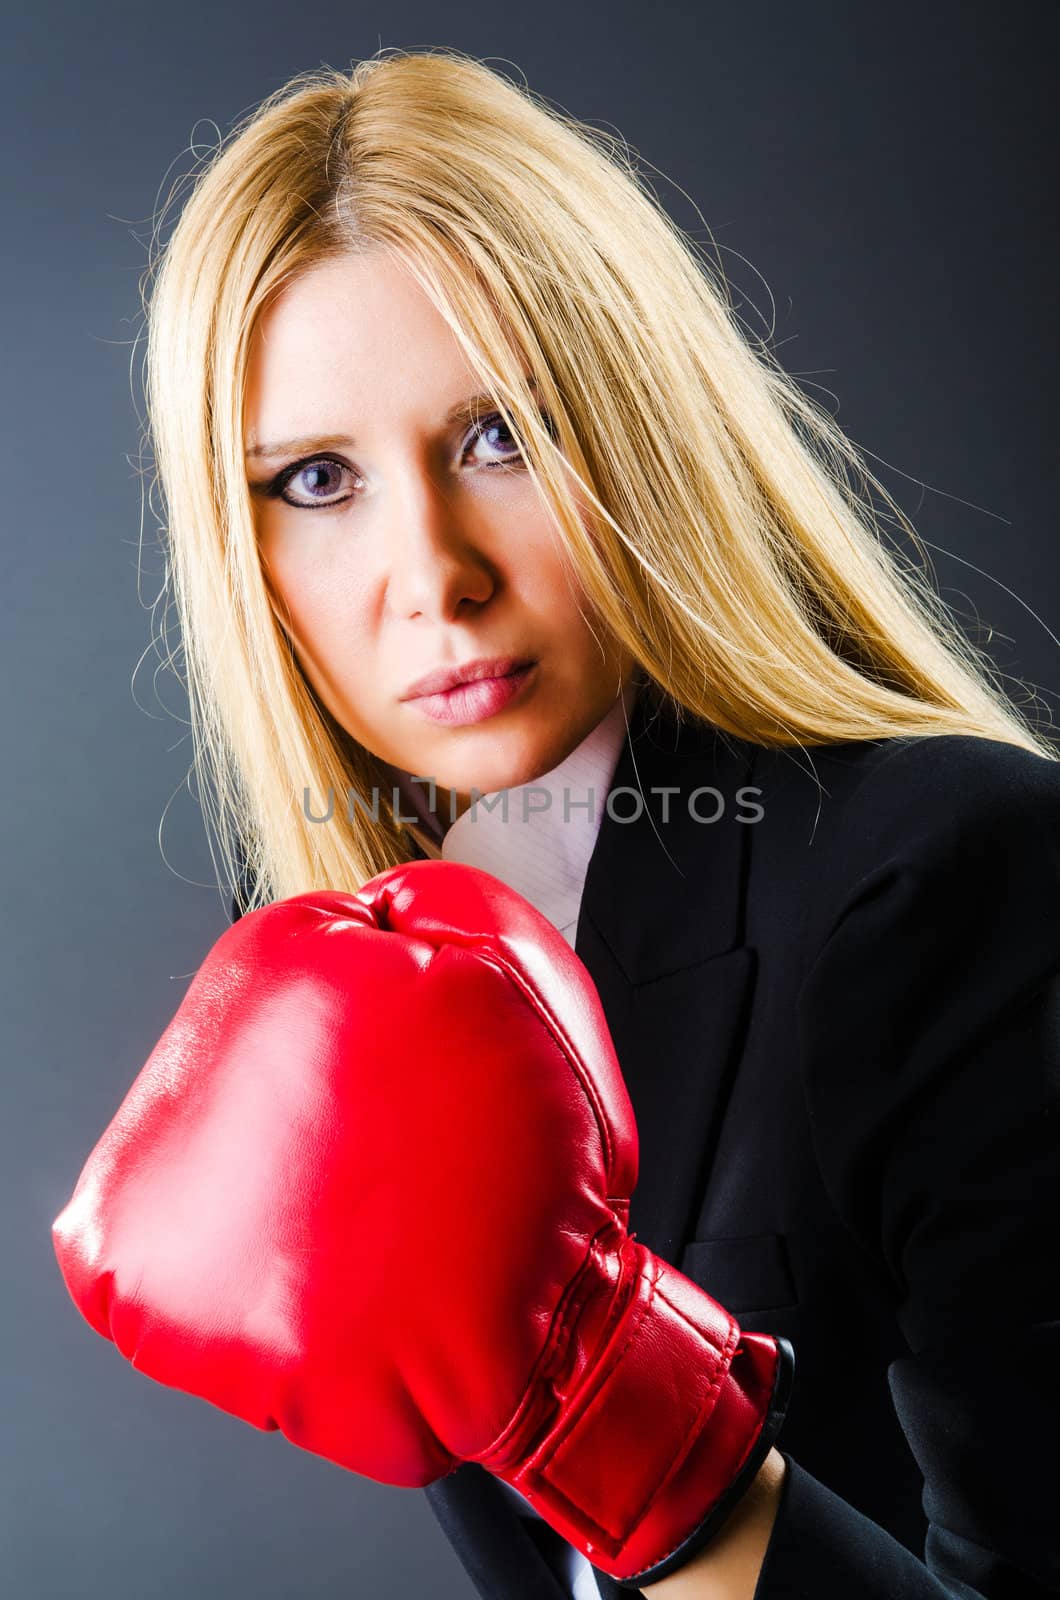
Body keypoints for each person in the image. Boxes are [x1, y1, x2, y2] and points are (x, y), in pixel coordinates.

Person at [54, 47, 1060, 1600]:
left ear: (640, 431)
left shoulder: (946, 877)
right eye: (317, 478)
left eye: (500, 435)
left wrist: (624, 1416)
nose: (434, 570)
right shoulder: (345, 935)